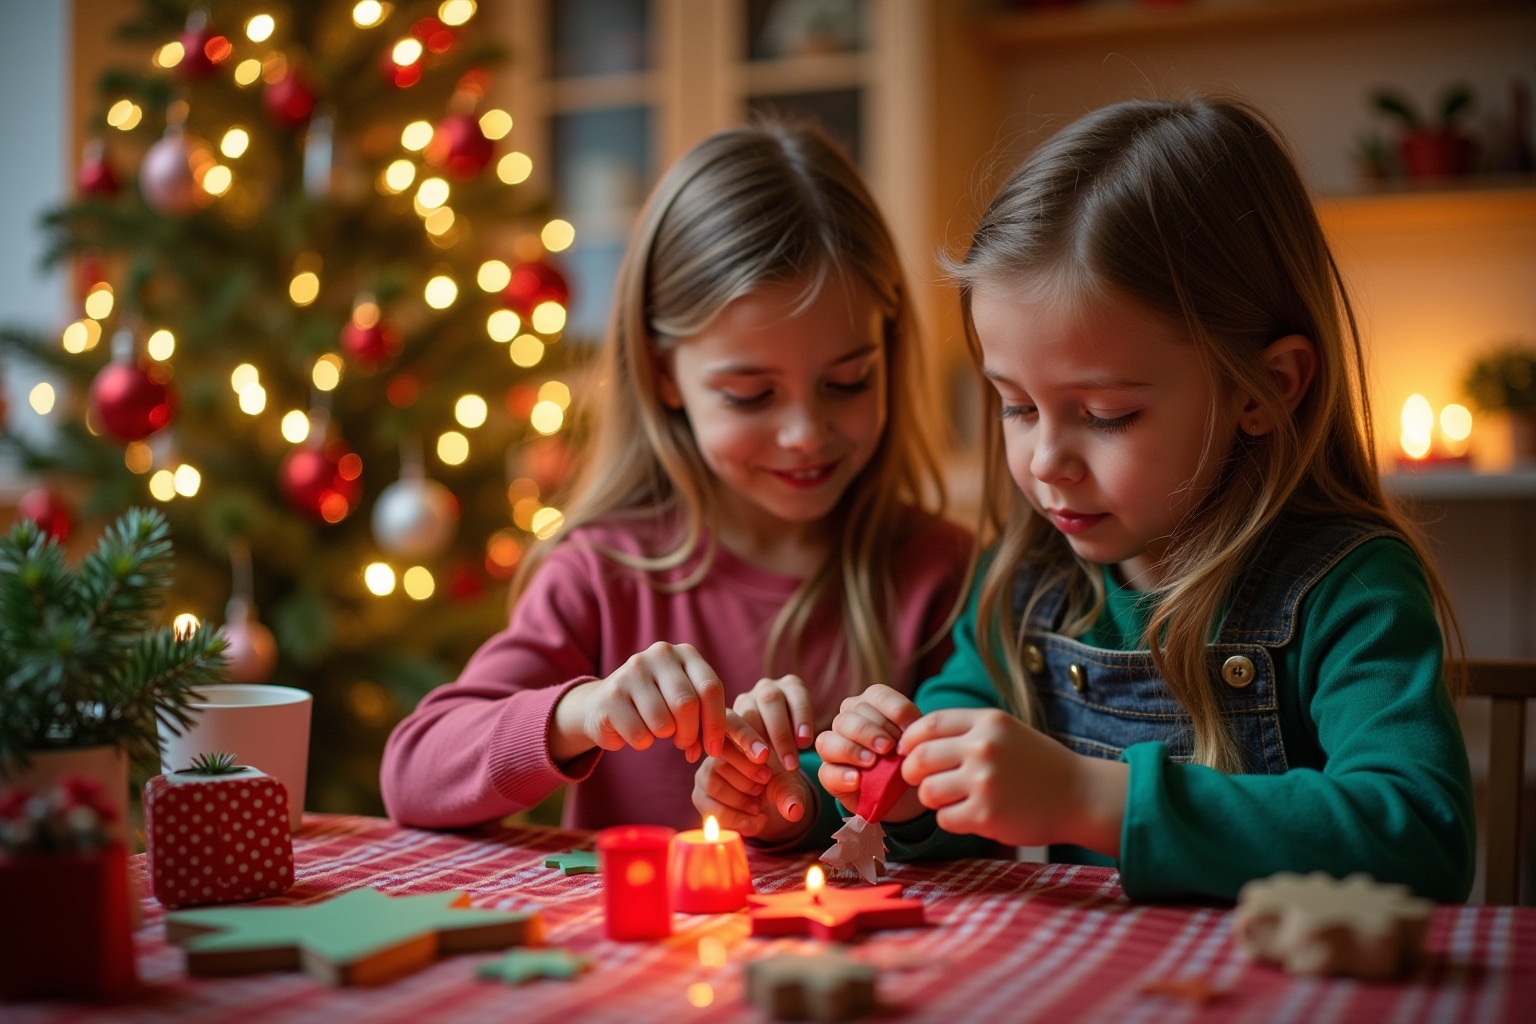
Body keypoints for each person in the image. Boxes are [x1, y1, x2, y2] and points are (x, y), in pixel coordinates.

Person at [713, 97, 1478, 902]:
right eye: (1016, 405)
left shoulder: (1347, 589)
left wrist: (1087, 796)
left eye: (1107, 415)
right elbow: (943, 786)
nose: (1047, 461)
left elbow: (1421, 834)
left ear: (1265, 388)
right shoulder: (1028, 584)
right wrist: (862, 789)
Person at [380, 120, 972, 834]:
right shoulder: (601, 574)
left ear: (888, 352)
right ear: (664, 375)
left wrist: (847, 794)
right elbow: (414, 772)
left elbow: (979, 828)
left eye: (848, 382)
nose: (805, 433)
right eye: (750, 395)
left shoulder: (943, 573)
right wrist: (584, 712)